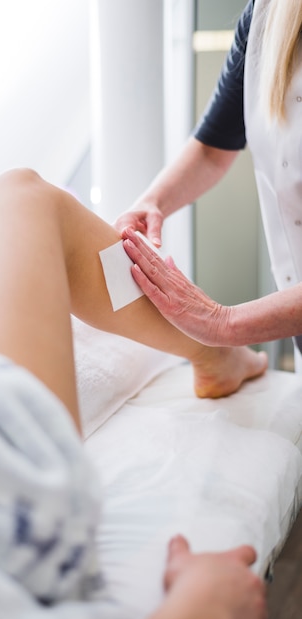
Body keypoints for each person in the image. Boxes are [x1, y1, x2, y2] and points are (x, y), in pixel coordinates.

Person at [0, 169, 266, 619]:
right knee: (21, 199)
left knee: (19, 195)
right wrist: (204, 610)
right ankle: (216, 353)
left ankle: (214, 353)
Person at [115, 0, 302, 371]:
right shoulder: (266, 14)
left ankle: (222, 359)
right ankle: (223, 361)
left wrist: (220, 324)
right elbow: (213, 148)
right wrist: (154, 201)